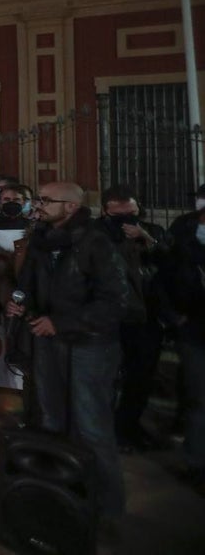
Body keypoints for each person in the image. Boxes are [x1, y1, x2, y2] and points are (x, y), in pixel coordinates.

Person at [6, 181, 131, 524]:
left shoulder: (96, 242)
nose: (39, 205)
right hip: (47, 343)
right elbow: (28, 285)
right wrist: (21, 304)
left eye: (47, 200)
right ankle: (59, 497)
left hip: (89, 346)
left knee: (91, 427)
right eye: (39, 200)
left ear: (72, 207)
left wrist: (61, 322)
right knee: (50, 420)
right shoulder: (42, 240)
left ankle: (106, 510)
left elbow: (117, 301)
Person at [97, 184, 169, 453]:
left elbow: (170, 264)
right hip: (110, 319)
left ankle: (128, 427)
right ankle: (104, 430)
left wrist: (148, 239)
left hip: (146, 318)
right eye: (120, 216)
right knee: (106, 378)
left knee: (141, 378)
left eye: (133, 214)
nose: (128, 221)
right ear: (105, 212)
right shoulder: (95, 235)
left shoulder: (152, 232)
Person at [164, 188, 205, 496]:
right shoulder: (184, 229)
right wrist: (174, 316)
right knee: (197, 401)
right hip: (193, 329)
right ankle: (196, 464)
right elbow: (165, 275)